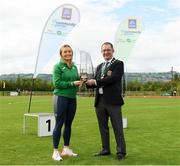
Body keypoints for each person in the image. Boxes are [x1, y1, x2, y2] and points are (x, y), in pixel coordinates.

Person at [86, 42, 126, 160]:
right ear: (101, 52)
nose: (106, 52)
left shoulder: (118, 64)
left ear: (113, 50)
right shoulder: (99, 66)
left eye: (108, 50)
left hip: (113, 101)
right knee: (103, 127)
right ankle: (105, 149)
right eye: (103, 50)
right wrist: (87, 83)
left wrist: (96, 82)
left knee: (117, 127)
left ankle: (121, 152)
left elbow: (113, 79)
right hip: (100, 101)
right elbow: (95, 80)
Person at [52, 44, 82, 161]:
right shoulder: (57, 67)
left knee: (68, 124)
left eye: (70, 51)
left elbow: (75, 80)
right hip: (60, 98)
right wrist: (72, 84)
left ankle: (66, 149)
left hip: (72, 98)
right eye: (65, 52)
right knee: (59, 124)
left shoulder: (74, 67)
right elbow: (57, 84)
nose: (68, 53)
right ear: (61, 54)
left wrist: (80, 82)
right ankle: (55, 151)